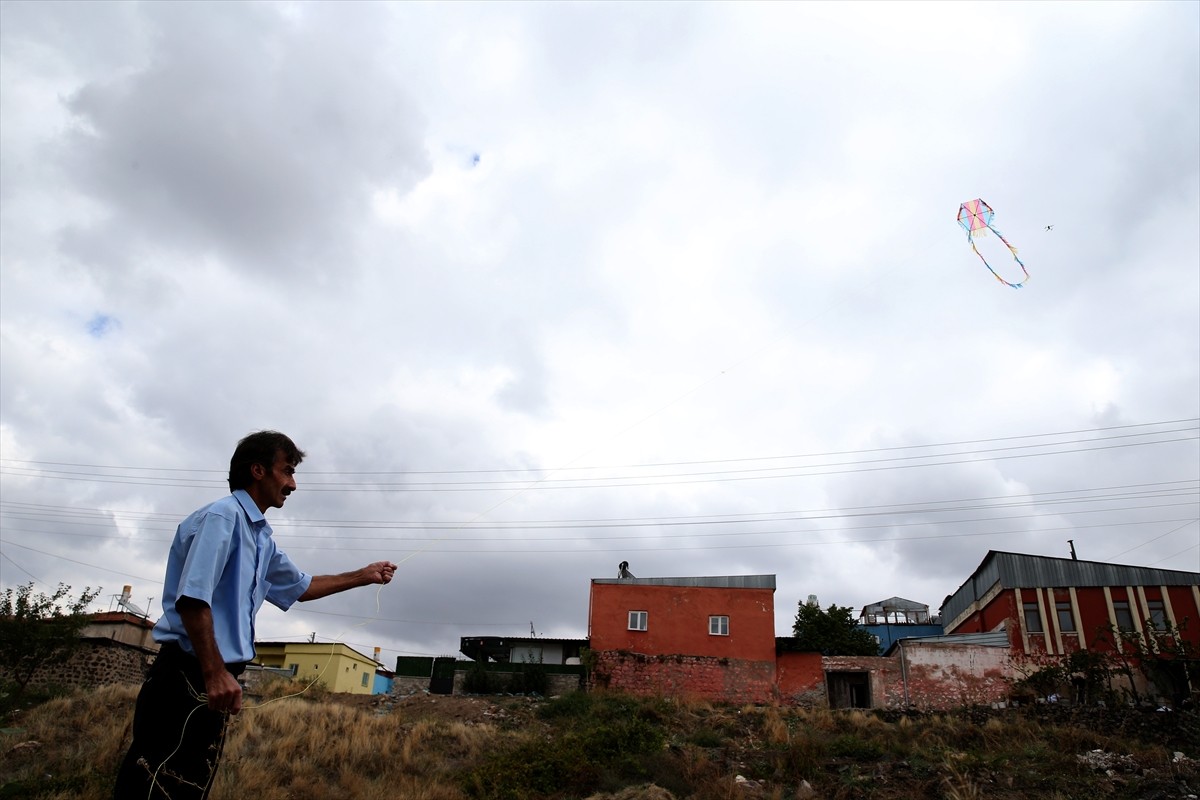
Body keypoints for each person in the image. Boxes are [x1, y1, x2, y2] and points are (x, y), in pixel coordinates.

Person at [113, 431, 397, 800]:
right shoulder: (222, 518)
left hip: (214, 685)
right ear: (258, 470)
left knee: (187, 789)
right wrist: (214, 673)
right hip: (186, 678)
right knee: (152, 789)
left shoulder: (261, 538)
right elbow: (192, 601)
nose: (293, 484)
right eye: (288, 471)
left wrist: (364, 575)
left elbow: (302, 586)